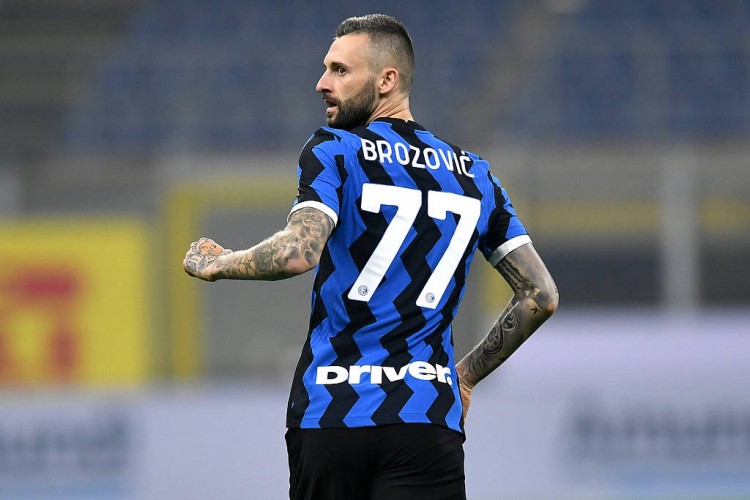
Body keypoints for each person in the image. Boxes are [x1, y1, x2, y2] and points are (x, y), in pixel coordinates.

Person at [183, 13, 558, 500]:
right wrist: (463, 377)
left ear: (387, 80)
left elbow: (297, 253)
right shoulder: (475, 175)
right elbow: (540, 295)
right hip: (425, 418)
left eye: (340, 70)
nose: (322, 83)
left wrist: (219, 263)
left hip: (332, 413)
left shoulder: (335, 150)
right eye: (326, 68)